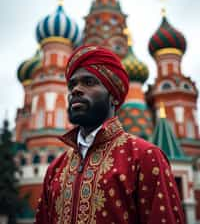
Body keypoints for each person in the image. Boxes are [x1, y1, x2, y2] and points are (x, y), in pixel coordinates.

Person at [35, 45, 185, 224]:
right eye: (72, 84)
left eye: (89, 82)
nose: (75, 90)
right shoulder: (56, 168)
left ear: (113, 96)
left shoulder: (144, 157)